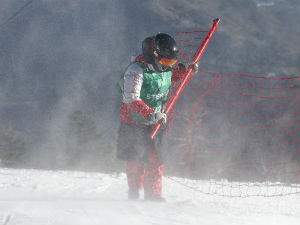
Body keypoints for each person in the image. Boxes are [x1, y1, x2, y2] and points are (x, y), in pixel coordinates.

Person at [116, 33, 198, 201]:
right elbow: (130, 97)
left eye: (172, 62)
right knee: (136, 158)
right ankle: (134, 190)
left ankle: (153, 194)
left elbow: (167, 78)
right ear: (154, 56)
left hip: (157, 122)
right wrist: (150, 114)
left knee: (156, 159)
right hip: (134, 122)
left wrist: (185, 72)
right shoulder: (136, 70)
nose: (168, 65)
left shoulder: (164, 68)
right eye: (166, 61)